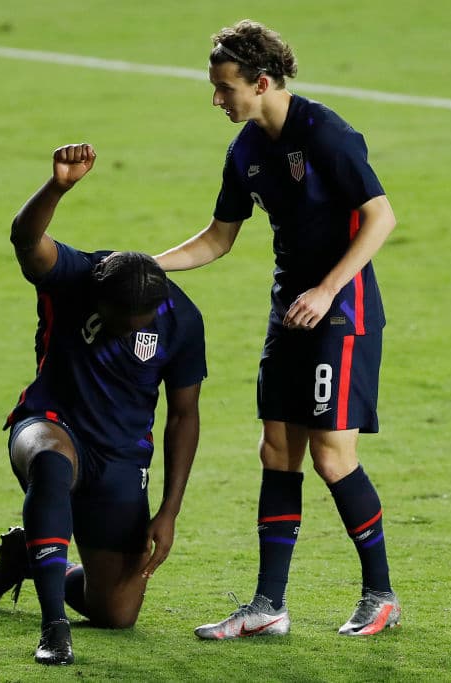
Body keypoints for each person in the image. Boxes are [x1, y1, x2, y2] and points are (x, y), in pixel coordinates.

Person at [154, 20, 400, 639]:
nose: (216, 99)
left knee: (332, 456)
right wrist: (144, 264)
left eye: (223, 88)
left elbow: (380, 217)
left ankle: (381, 595)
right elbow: (218, 238)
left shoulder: (326, 134)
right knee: (276, 450)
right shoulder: (246, 152)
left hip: (341, 315)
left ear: (260, 82)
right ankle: (268, 606)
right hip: (289, 313)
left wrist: (327, 289)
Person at [0, 143, 207, 665]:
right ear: (99, 301)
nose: (133, 330)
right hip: (52, 423)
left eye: (141, 322)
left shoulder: (182, 320)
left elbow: (185, 415)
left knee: (117, 612)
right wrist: (58, 186)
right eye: (123, 321)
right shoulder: (75, 276)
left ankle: (31, 558)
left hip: (122, 458)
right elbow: (25, 239)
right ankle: (54, 627)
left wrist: (170, 510)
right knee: (51, 463)